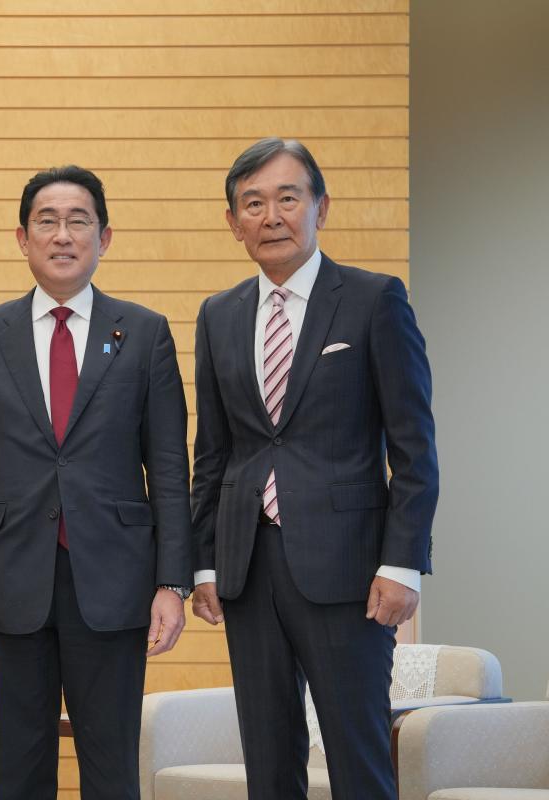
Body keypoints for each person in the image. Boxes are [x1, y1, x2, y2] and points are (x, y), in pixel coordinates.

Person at [190, 138, 438, 799]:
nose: (271, 215)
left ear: (320, 208)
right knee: (268, 761)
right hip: (247, 569)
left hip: (351, 572)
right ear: (234, 222)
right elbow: (213, 451)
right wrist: (206, 562)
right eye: (253, 203)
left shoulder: (373, 299)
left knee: (357, 755)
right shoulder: (218, 316)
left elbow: (414, 444)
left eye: (287, 197)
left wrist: (402, 562)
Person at [0, 166, 193, 799]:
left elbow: (167, 467)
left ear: (105, 237)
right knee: (19, 768)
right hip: (11, 578)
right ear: (21, 238)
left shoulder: (143, 332)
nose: (62, 235)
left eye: (78, 220)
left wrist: (172, 582)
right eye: (45, 221)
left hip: (113, 578)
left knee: (110, 766)